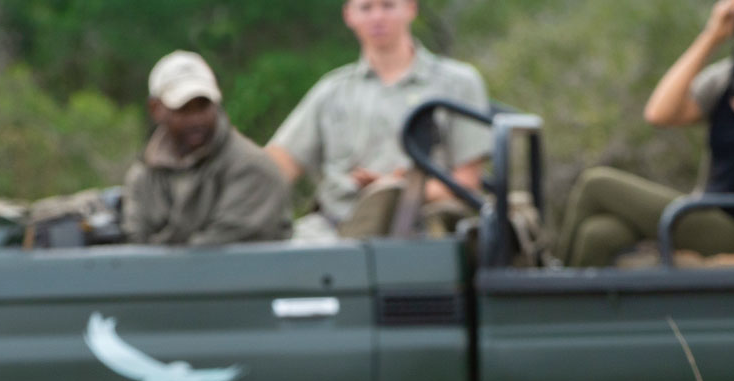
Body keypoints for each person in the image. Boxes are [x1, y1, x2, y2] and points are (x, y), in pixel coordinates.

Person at [557, 0, 734, 267]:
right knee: (599, 234)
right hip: (704, 212)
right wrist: (713, 35)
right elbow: (660, 112)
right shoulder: (728, 78)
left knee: (596, 184)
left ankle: (541, 292)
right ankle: (566, 307)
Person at [267, 0, 491, 240]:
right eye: (366, 8)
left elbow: (466, 183)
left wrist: (395, 190)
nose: (377, 17)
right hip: (336, 231)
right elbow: (276, 167)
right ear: (349, 15)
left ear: (410, 9)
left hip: (424, 229)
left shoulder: (457, 83)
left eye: (388, 5)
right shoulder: (332, 92)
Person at [123, 51, 292, 246]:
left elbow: (220, 248)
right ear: (156, 109)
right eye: (183, 109)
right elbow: (136, 244)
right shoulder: (144, 177)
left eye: (203, 106)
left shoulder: (253, 168)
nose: (196, 120)